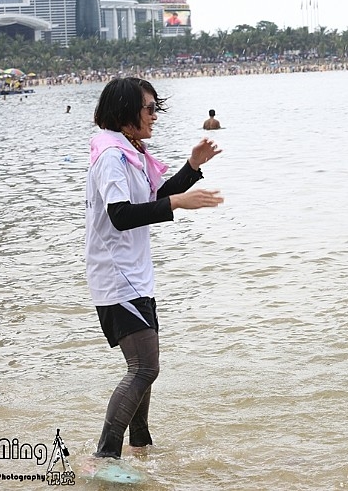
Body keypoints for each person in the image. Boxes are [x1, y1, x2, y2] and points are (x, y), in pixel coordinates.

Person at [85, 77, 224, 459]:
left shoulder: (129, 152)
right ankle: (105, 457)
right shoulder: (112, 156)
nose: (155, 116)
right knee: (144, 368)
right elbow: (121, 215)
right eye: (149, 109)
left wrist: (192, 166)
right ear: (125, 113)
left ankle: (140, 449)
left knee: (144, 368)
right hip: (117, 279)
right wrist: (178, 203)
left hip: (135, 277)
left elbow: (155, 196)